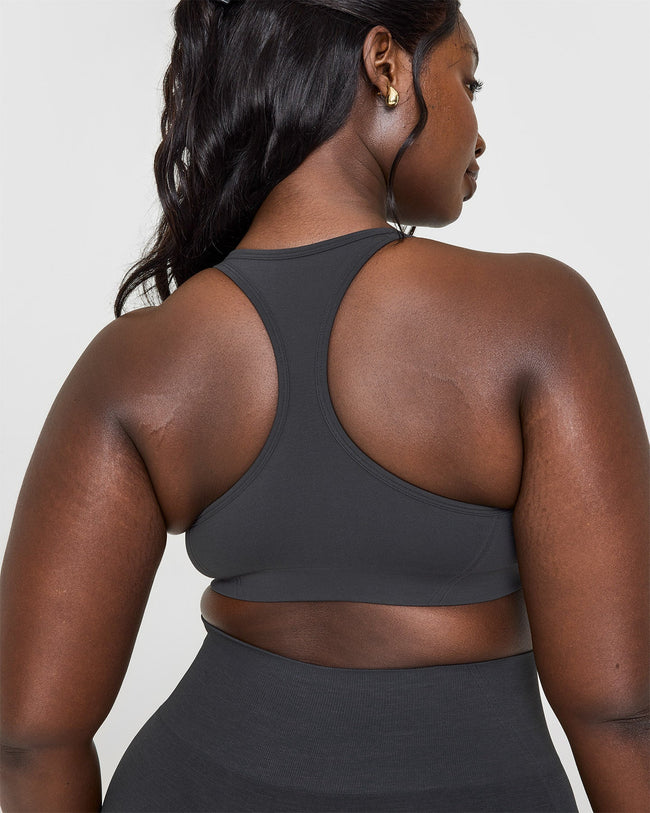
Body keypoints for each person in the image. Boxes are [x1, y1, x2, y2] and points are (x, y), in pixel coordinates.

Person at [1, 0, 648, 810]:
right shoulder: (537, 317)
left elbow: (30, 739)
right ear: (385, 66)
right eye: (468, 80)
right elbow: (623, 714)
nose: (479, 133)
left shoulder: (140, 359)